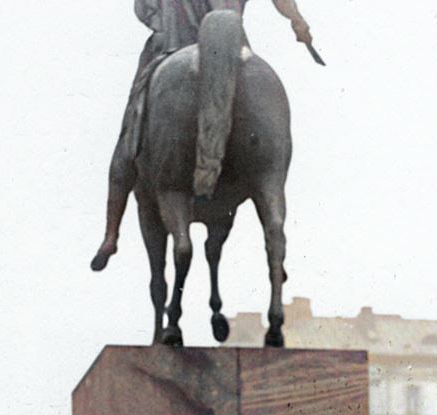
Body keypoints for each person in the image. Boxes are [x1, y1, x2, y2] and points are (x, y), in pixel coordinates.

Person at [92, 0, 318, 272]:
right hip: (235, 49)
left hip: (170, 47)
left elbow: (145, 10)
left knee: (130, 134)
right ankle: (273, 229)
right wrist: (297, 19)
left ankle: (111, 235)